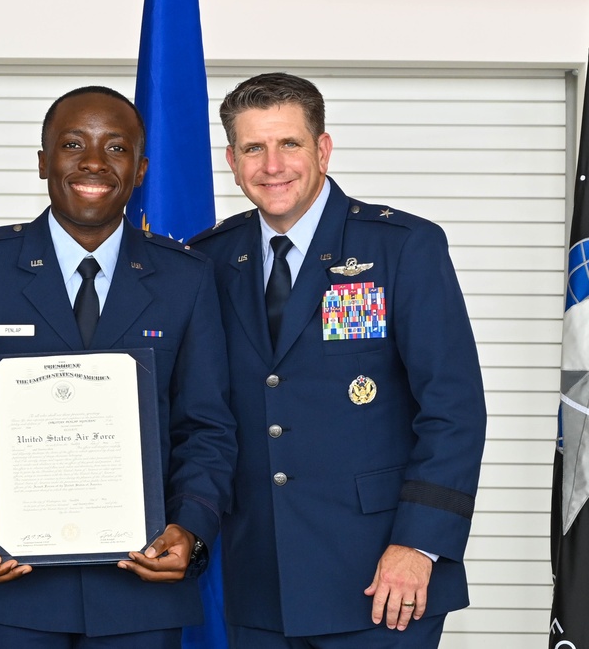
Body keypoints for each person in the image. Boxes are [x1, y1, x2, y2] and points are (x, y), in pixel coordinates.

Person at [0, 86, 237, 649]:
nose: (94, 162)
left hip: (140, 585)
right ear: (44, 162)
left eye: (116, 148)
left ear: (140, 171)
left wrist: (189, 527)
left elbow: (207, 426)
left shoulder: (186, 279)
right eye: (73, 144)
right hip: (13, 581)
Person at [188, 72, 486, 649]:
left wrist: (419, 544)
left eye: (289, 144)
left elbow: (453, 410)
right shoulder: (210, 260)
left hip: (384, 575)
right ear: (231, 159)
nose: (272, 165)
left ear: (322, 148)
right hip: (259, 575)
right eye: (254, 148)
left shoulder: (400, 247)